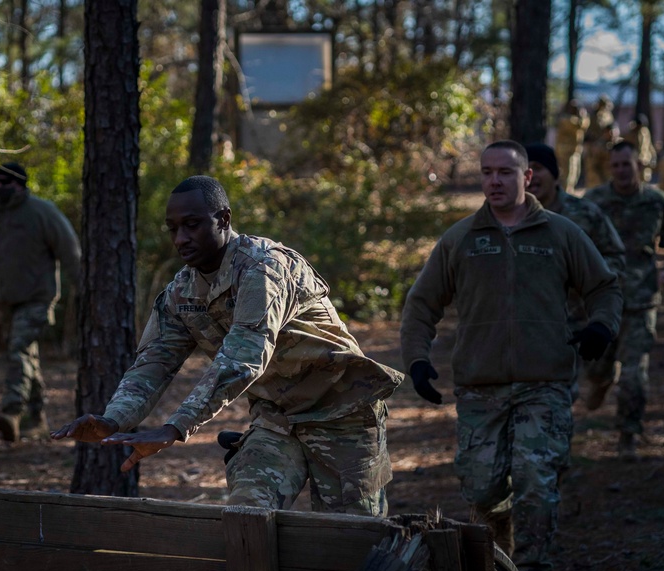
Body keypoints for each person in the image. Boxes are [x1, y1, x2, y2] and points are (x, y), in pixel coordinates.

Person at [51, 175, 404, 515]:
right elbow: (154, 362)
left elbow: (243, 357)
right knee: (246, 517)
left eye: (192, 224)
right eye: (173, 228)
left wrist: (176, 427)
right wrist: (114, 420)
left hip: (341, 412)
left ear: (223, 219)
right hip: (277, 421)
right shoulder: (181, 291)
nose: (180, 239)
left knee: (352, 539)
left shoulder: (262, 269)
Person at [400, 141, 622, 571]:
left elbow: (604, 287)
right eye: (486, 173)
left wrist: (601, 326)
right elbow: (422, 305)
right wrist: (418, 361)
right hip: (481, 388)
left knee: (536, 482)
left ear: (527, 177)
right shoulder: (461, 239)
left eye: (505, 172)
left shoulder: (560, 233)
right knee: (482, 490)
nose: (494, 181)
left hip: (546, 382)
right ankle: (499, 554)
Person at [0, 163, 81, 441]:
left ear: (21, 184)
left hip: (37, 298)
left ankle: (11, 411)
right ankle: (36, 417)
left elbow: (69, 250)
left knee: (18, 350)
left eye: (7, 183)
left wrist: (83, 289)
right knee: (26, 356)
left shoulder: (41, 212)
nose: (0, 188)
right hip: (3, 302)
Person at [583, 141, 664, 460]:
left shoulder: (656, 201)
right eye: (615, 165)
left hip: (641, 299)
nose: (620, 171)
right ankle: (601, 381)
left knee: (634, 372)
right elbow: (573, 243)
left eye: (626, 164)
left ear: (639, 165)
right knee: (596, 369)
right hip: (601, 300)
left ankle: (628, 433)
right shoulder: (594, 201)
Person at [525, 143, 625, 353]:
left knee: (599, 377)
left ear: (554, 174)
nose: (531, 176)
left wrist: (585, 278)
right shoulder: (511, 218)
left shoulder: (585, 212)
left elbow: (614, 254)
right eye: (524, 170)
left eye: (537, 168)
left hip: (587, 319)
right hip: (534, 326)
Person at [554, 99, 589, 192]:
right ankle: (565, 193)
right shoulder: (566, 119)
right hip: (565, 152)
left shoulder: (575, 119)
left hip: (574, 151)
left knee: (575, 174)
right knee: (567, 176)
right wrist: (583, 114)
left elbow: (585, 125)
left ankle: (570, 191)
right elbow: (579, 125)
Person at [583, 96, 618, 190]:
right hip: (595, 148)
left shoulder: (608, 115)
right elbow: (589, 134)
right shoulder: (594, 116)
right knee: (594, 177)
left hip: (606, 148)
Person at [624, 115, 657, 182]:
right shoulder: (630, 134)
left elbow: (649, 145)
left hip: (645, 161)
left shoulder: (645, 132)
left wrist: (653, 156)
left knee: (645, 180)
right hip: (635, 162)